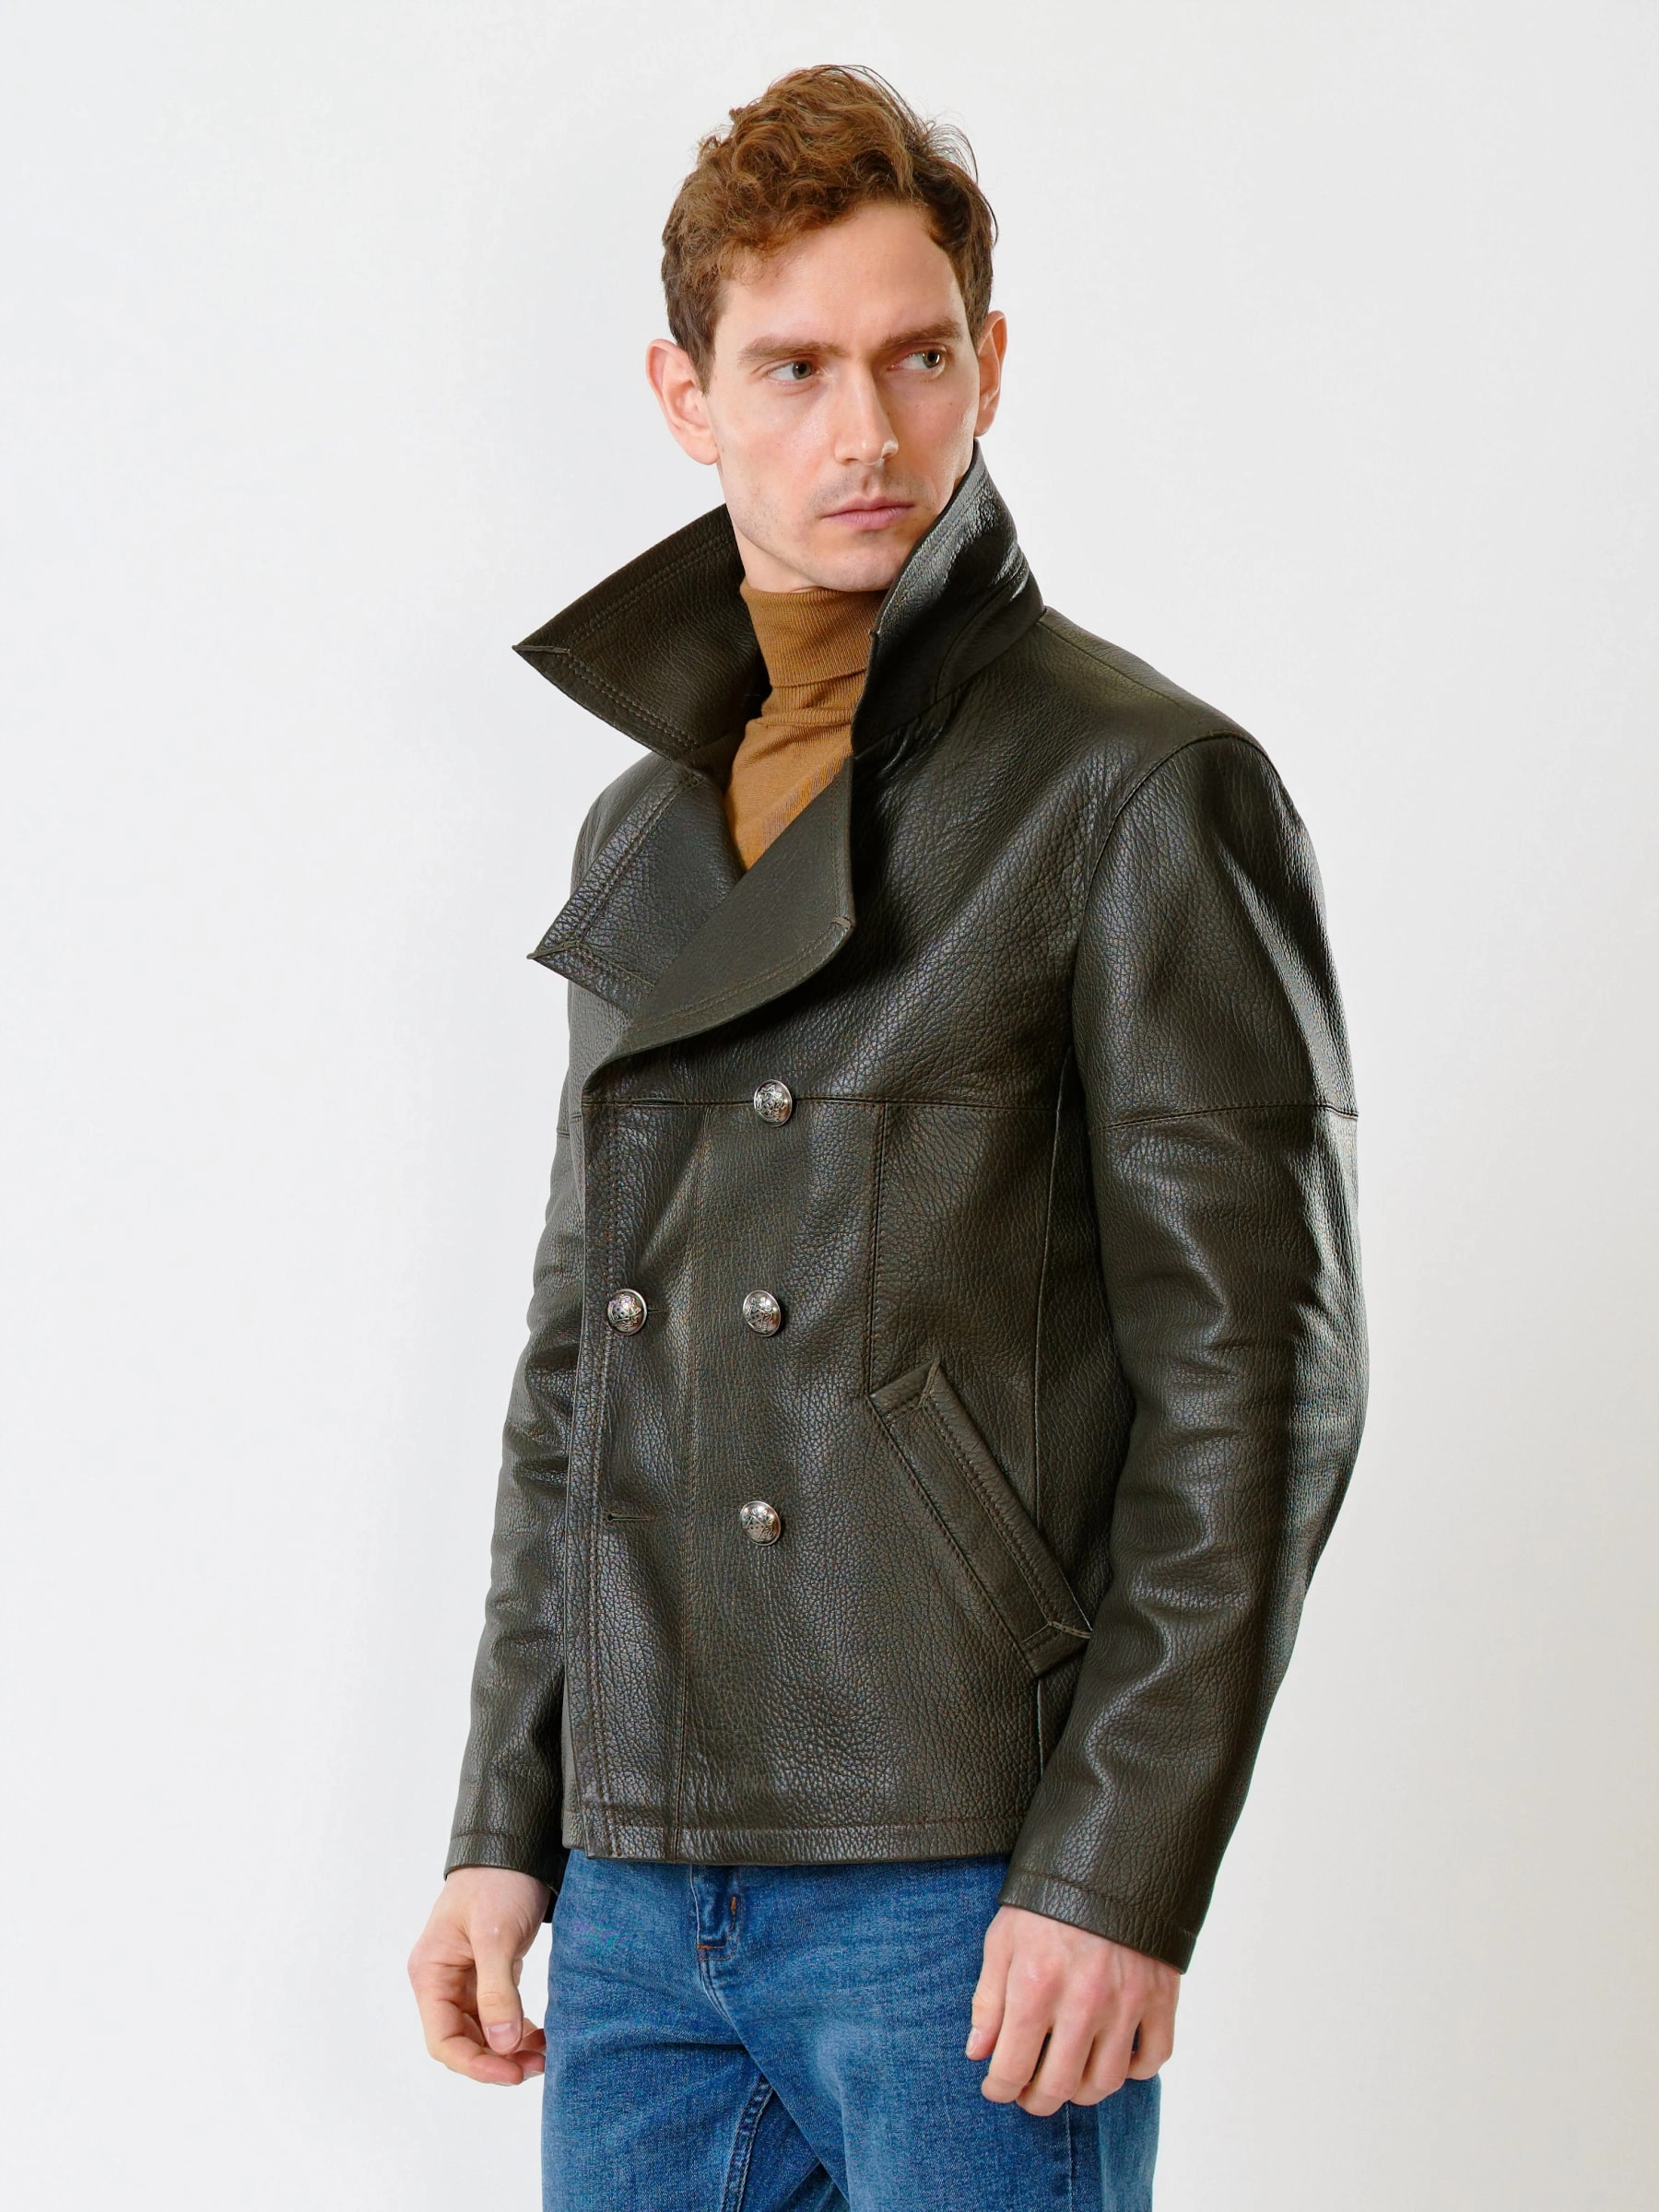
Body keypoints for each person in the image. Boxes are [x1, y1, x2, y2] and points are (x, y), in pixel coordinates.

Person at [408, 63, 1367, 2212]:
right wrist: (506, 1818)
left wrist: (1117, 1868)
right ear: (687, 396)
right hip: (638, 1892)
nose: (867, 430)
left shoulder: (1141, 787)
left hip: (960, 1883)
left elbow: (1264, 1380)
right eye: (796, 368)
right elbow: (585, 1367)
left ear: (988, 367)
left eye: (917, 359)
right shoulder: (644, 825)